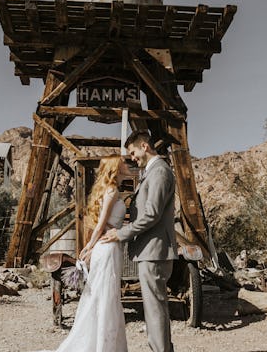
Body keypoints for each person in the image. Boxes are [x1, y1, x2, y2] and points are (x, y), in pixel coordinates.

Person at [100, 130, 178, 352]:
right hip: (150, 251)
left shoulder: (160, 172)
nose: (132, 158)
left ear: (144, 146)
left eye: (132, 152)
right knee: (154, 308)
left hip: (155, 252)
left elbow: (152, 214)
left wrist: (121, 234)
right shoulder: (151, 172)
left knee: (155, 310)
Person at [48, 156, 133, 352]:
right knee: (105, 297)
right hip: (108, 247)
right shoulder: (111, 190)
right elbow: (101, 225)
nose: (127, 166)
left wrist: (92, 247)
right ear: (116, 168)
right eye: (123, 164)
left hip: (109, 246)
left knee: (106, 296)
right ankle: (102, 346)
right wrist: (89, 247)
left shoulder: (113, 190)